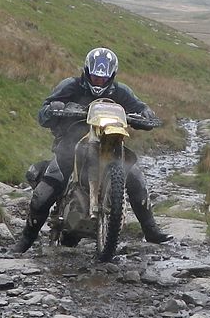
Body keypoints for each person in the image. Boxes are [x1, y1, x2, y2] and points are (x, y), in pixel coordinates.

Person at [11, 47, 171, 252]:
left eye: (103, 79)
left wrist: (146, 114)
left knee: (136, 177)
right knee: (45, 191)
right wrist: (56, 108)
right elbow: (44, 112)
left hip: (110, 144)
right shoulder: (71, 86)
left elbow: (139, 107)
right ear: (87, 72)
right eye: (95, 78)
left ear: (111, 76)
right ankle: (25, 240)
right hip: (71, 145)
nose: (99, 82)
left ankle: (151, 230)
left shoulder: (120, 91)